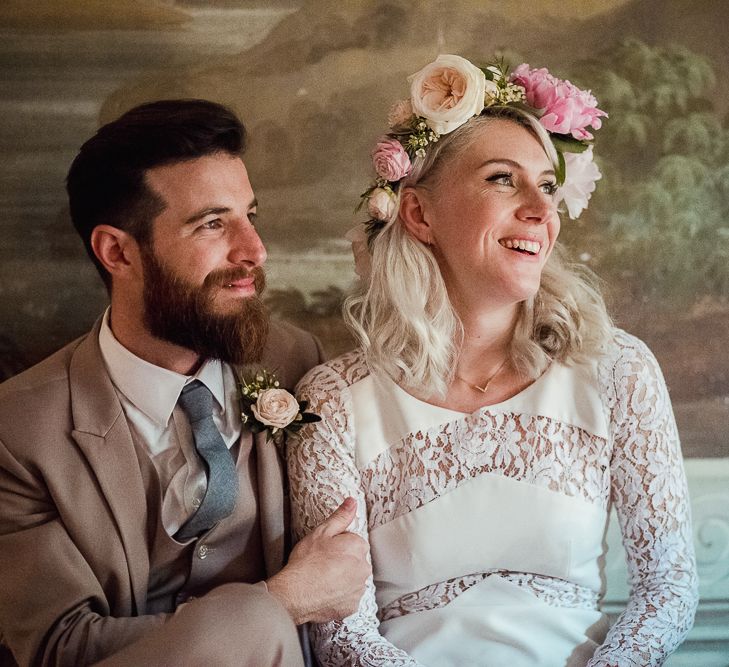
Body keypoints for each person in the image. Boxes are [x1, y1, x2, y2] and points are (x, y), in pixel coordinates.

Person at [287, 55, 699, 666]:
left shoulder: (618, 373)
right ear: (420, 214)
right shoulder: (332, 402)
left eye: (549, 185)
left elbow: (668, 588)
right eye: (503, 179)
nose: (541, 209)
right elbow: (341, 632)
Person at [0, 99, 370, 667]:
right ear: (117, 251)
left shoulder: (297, 358)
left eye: (252, 215)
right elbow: (60, 648)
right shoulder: (19, 431)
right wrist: (282, 602)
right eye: (213, 224)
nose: (254, 250)